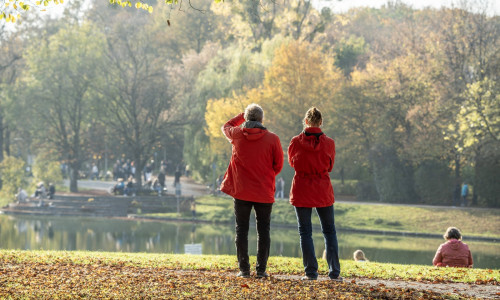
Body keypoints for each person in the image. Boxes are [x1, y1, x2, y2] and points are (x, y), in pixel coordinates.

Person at [220, 103, 283, 278]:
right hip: (263, 192)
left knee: (241, 229)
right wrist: (266, 175)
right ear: (262, 119)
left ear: (246, 119)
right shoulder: (273, 139)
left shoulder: (237, 135)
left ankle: (244, 270)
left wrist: (242, 116)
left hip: (241, 191)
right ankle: (261, 270)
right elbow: (278, 165)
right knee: (264, 231)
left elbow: (226, 126)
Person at [288, 107, 342, 281]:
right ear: (321, 122)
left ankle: (311, 272)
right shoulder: (329, 143)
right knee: (329, 231)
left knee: (305, 232)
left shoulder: (295, 142)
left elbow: (291, 162)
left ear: (305, 121)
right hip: (322, 188)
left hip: (302, 188)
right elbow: (330, 166)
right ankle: (334, 272)